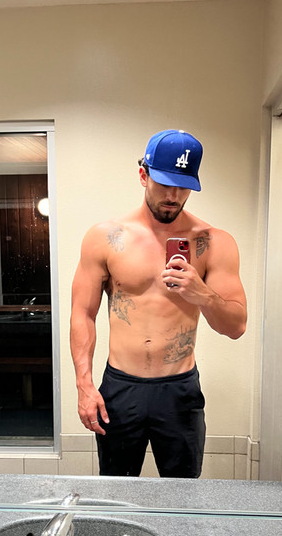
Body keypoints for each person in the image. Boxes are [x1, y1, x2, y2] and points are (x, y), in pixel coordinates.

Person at [70, 129, 247, 478]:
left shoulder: (213, 242)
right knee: (116, 493)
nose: (172, 196)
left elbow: (236, 327)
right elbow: (82, 314)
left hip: (179, 390)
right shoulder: (105, 238)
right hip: (121, 387)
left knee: (182, 496)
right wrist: (84, 385)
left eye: (183, 186)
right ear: (143, 175)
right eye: (164, 184)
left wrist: (201, 293)